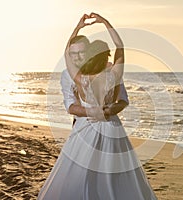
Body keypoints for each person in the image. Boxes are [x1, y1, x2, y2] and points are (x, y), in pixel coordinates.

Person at [38, 13, 157, 200]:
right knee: (112, 173)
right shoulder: (114, 74)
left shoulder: (80, 79)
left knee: (82, 173)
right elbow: (120, 46)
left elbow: (66, 52)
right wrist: (105, 22)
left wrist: (78, 27)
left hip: (87, 127)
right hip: (111, 126)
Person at [60, 34, 129, 126]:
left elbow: (123, 100)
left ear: (89, 53)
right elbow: (70, 107)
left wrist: (109, 111)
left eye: (81, 52)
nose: (77, 57)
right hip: (84, 122)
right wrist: (93, 112)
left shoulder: (110, 73)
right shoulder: (67, 74)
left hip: (102, 122)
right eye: (73, 53)